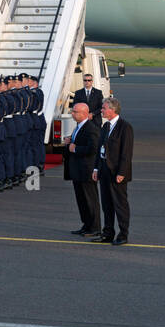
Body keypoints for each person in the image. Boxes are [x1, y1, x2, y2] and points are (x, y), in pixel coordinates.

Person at [92, 97, 133, 245]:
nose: (101, 111)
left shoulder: (125, 127)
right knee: (107, 204)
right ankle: (107, 233)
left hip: (117, 173)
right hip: (104, 170)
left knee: (120, 204)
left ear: (112, 110)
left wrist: (122, 172)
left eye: (103, 108)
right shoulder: (105, 127)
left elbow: (126, 153)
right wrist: (96, 168)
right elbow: (99, 149)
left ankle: (123, 234)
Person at [61, 101, 101, 236]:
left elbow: (94, 148)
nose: (72, 113)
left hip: (86, 170)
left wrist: (75, 148)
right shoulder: (78, 126)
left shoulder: (91, 128)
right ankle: (86, 224)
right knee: (81, 200)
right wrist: (69, 142)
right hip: (77, 170)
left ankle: (95, 227)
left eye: (75, 112)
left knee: (90, 199)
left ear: (84, 114)